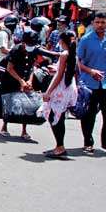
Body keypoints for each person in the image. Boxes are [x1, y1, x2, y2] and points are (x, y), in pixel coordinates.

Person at [77, 12, 106, 156]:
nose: (100, 25)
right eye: (97, 22)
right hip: (89, 84)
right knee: (89, 115)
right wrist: (90, 71)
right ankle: (88, 142)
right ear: (93, 23)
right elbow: (78, 62)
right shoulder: (86, 39)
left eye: (103, 22)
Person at [0, 30, 37, 139]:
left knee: (26, 105)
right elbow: (9, 68)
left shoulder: (34, 51)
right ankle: (4, 127)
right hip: (10, 78)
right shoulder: (15, 50)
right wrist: (20, 80)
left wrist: (29, 81)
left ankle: (24, 130)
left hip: (25, 78)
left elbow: (32, 67)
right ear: (23, 42)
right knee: (8, 103)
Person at [41, 30, 78, 158]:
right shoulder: (73, 54)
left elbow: (59, 76)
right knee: (59, 117)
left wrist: (48, 92)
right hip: (69, 87)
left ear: (61, 41)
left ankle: (60, 147)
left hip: (61, 88)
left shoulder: (65, 54)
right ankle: (59, 146)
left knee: (55, 117)